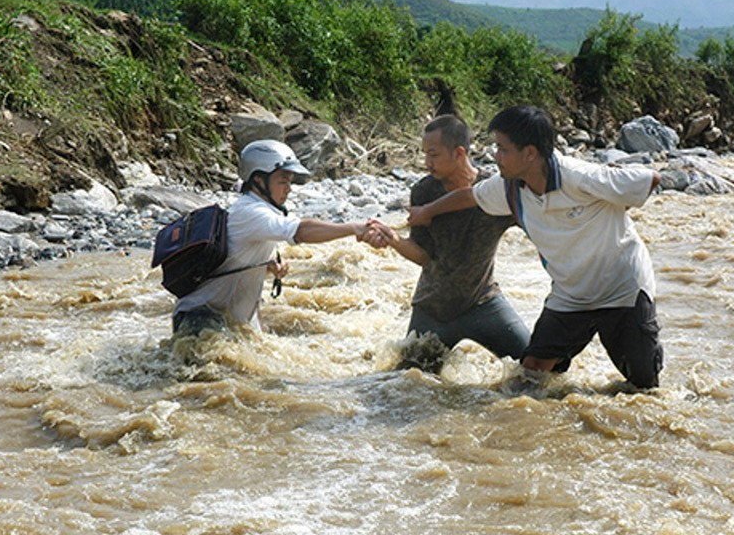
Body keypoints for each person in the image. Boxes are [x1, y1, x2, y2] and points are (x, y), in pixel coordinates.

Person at [408, 106, 664, 388]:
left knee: (643, 386)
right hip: (571, 295)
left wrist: (609, 213)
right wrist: (428, 211)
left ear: (529, 153)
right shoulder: (508, 187)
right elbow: (470, 196)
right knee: (529, 379)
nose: (496, 156)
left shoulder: (580, 176)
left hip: (622, 290)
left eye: (503, 149)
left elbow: (650, 179)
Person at [363, 114, 530, 371]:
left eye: (433, 155)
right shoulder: (424, 192)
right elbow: (423, 256)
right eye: (424, 154)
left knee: (535, 368)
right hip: (433, 310)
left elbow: (535, 226)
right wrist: (394, 240)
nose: (426, 163)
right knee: (407, 386)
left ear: (459, 153)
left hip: (483, 304)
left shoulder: (495, 189)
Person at [172, 139, 366, 335]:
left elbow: (236, 257)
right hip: (200, 319)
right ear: (258, 181)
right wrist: (352, 228)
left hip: (224, 319)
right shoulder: (251, 212)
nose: (289, 189)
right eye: (282, 181)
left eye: (290, 181)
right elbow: (300, 231)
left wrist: (269, 266)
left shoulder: (260, 210)